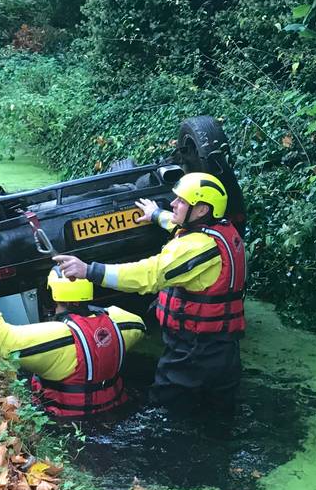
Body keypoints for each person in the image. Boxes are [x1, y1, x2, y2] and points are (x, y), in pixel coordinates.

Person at [54, 172, 246, 415]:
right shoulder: (221, 229)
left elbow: (149, 275)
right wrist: (156, 215)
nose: (173, 204)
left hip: (195, 351)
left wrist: (89, 270)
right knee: (219, 412)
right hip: (224, 349)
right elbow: (179, 225)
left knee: (163, 410)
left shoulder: (197, 248)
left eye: (181, 201)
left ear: (201, 210)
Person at [0, 259, 145, 418]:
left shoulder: (53, 336)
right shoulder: (124, 323)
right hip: (116, 411)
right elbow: (141, 325)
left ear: (50, 297)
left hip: (67, 422)